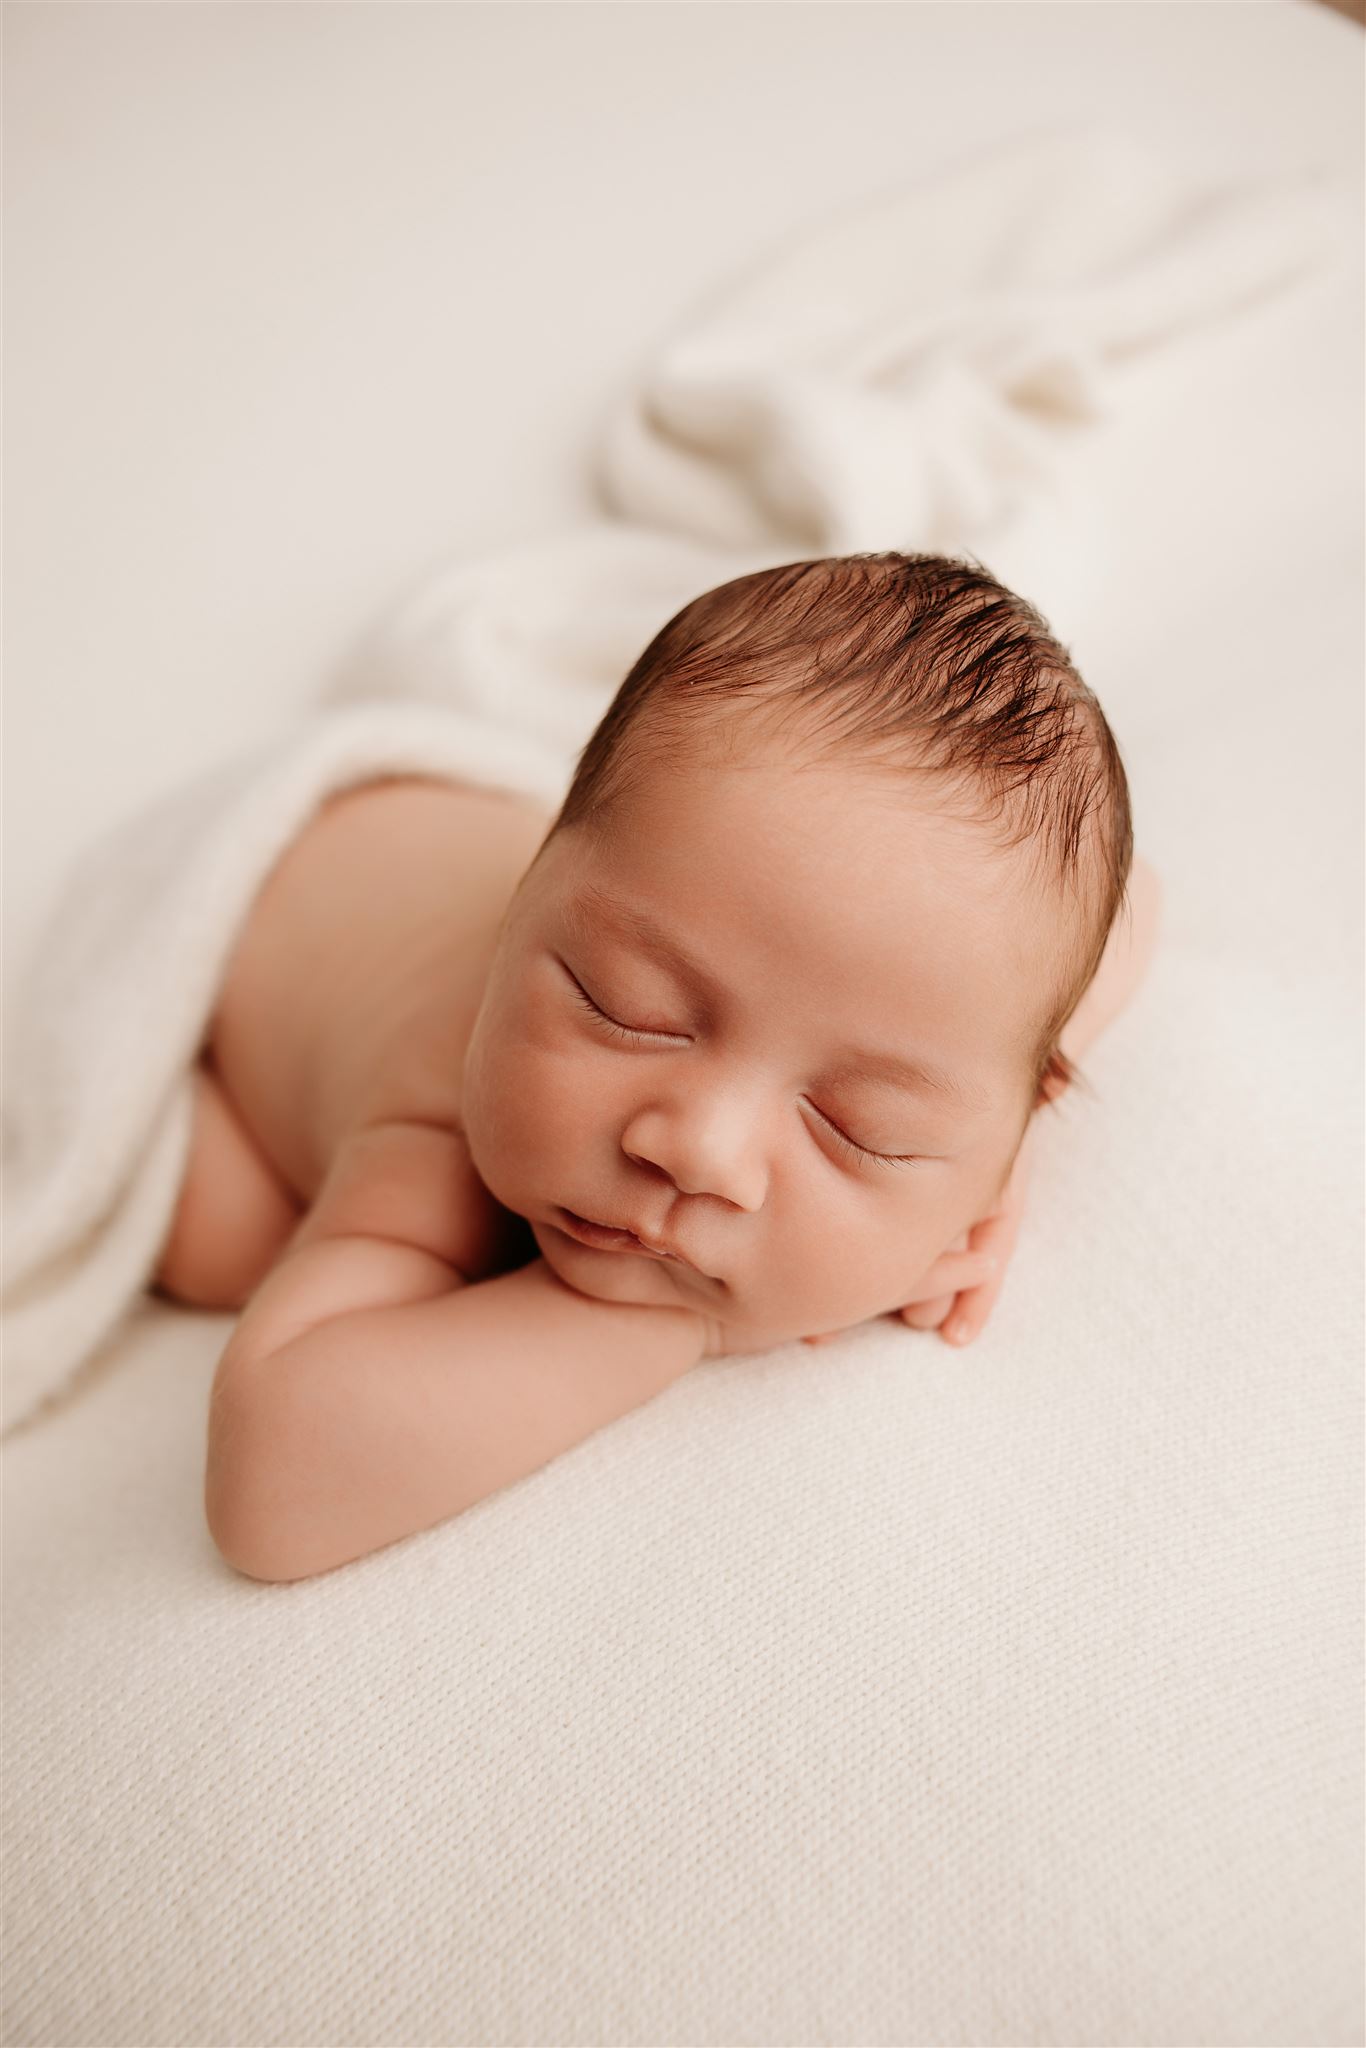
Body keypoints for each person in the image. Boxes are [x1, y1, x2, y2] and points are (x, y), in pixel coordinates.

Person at [163, 550, 1161, 1581]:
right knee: (218, 1230)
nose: (700, 1150)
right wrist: (680, 1331)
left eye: (862, 1125)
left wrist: (994, 1153)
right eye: (626, 1011)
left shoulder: (949, 976)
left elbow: (1128, 905)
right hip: (274, 915)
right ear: (526, 911)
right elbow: (269, 1486)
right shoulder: (440, 1118)